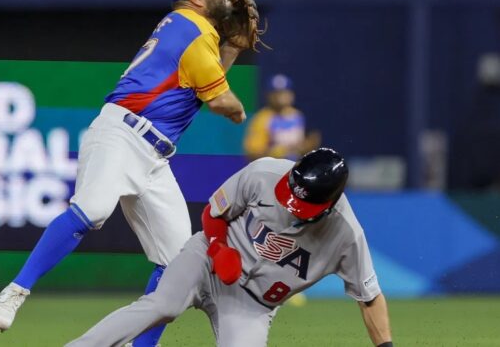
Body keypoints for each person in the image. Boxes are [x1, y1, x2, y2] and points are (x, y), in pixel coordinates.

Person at [0, 0, 251, 347]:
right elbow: (222, 103)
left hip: (154, 155)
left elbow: (203, 81)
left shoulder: (193, 30)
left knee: (179, 265)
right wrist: (241, 107)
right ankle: (16, 290)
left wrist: (231, 48)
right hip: (123, 134)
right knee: (91, 210)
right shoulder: (194, 32)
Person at [66, 148, 394, 347]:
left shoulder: (347, 235)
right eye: (291, 193)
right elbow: (214, 211)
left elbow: (370, 297)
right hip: (206, 261)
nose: (291, 204)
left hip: (252, 305)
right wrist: (219, 248)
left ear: (329, 204)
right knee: (161, 305)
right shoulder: (265, 172)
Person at [243, 74, 320, 161]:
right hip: (272, 170)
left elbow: (299, 148)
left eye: (284, 92)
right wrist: (277, 153)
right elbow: (253, 155)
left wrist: (306, 147)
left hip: (294, 168)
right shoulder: (262, 118)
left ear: (291, 94)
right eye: (276, 93)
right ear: (268, 95)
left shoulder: (297, 115)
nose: (280, 97)